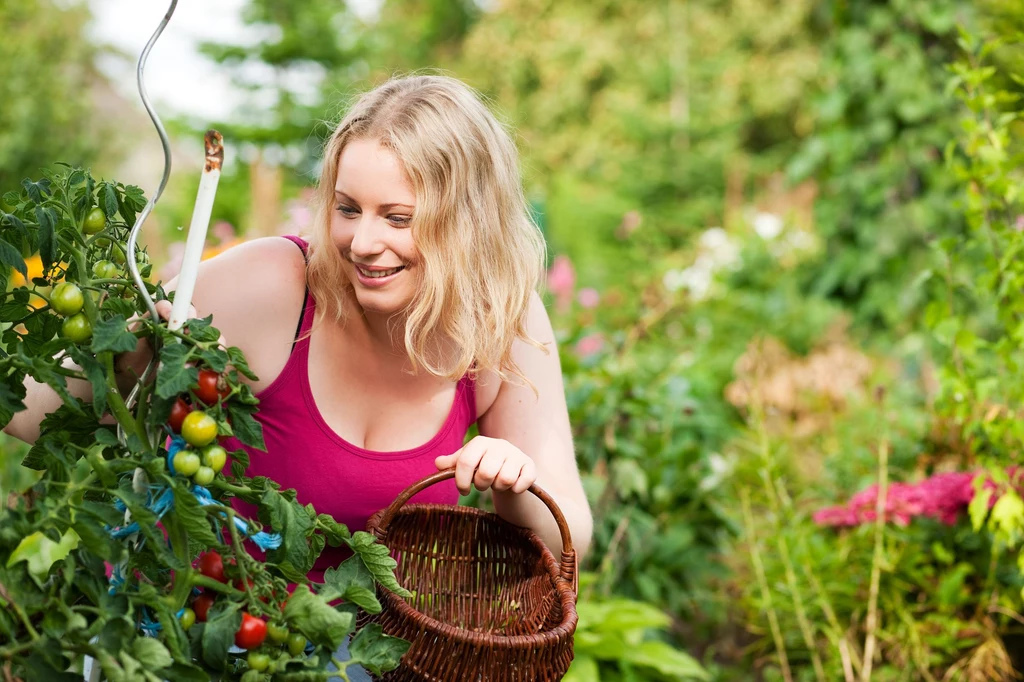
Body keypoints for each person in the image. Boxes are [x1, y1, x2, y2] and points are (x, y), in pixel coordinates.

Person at [6, 74, 593, 677]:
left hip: (372, 661)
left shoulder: (501, 321)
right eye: (347, 209)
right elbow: (30, 411)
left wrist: (514, 486)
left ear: (467, 220)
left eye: (397, 217)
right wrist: (129, 363)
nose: (362, 242)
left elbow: (572, 534)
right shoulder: (275, 287)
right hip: (200, 641)